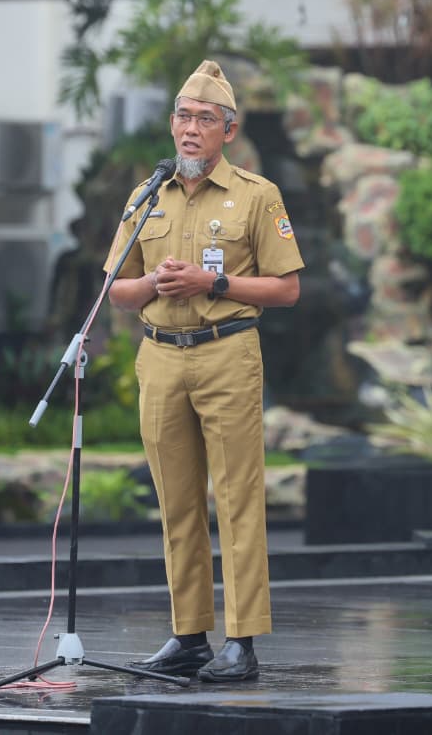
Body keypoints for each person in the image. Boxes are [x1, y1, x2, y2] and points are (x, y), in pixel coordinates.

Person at [103, 59, 303, 682]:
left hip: (226, 351)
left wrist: (213, 281)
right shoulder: (147, 195)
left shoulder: (256, 195)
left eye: (206, 120)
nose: (192, 130)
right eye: (184, 118)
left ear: (229, 132)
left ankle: (241, 642)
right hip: (160, 356)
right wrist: (151, 286)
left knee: (238, 499)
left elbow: (288, 288)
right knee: (177, 503)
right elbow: (115, 289)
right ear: (171, 125)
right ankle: (189, 634)